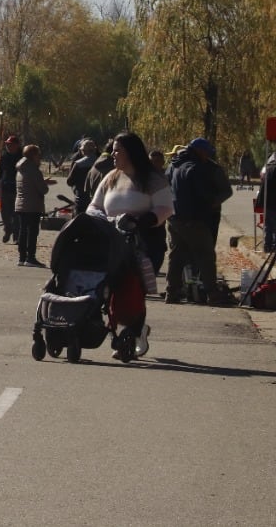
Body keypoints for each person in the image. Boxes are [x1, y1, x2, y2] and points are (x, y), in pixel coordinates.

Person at [86, 131, 172, 358]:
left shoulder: (152, 178)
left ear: (131, 152)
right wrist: (102, 219)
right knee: (111, 287)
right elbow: (94, 206)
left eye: (117, 150)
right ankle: (127, 329)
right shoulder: (111, 177)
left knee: (135, 288)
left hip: (145, 243)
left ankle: (133, 334)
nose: (112, 154)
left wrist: (140, 221)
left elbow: (165, 208)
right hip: (113, 242)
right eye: (113, 149)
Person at [166, 137, 233, 306]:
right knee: (206, 255)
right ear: (200, 152)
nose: (207, 156)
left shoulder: (174, 165)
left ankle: (171, 292)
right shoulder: (200, 169)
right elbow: (206, 195)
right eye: (206, 153)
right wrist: (212, 204)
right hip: (194, 219)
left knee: (177, 256)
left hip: (174, 218)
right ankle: (212, 293)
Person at [14, 143, 55, 267]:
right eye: (38, 155)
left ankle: (22, 257)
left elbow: (29, 184)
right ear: (33, 156)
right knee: (32, 232)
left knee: (23, 231)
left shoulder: (21, 168)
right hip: (32, 205)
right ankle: (30, 258)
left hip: (21, 203)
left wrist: (42, 182)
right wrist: (45, 184)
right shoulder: (33, 169)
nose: (40, 158)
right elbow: (43, 189)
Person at [0, 135, 23, 244]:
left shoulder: (22, 157)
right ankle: (7, 230)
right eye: (7, 145)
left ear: (17, 145)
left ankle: (16, 235)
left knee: (16, 213)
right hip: (5, 186)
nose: (8, 146)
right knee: (5, 212)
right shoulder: (4, 157)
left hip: (18, 188)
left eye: (10, 145)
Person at [66, 138, 99, 215]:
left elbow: (69, 181)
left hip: (81, 201)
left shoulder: (78, 164)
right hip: (97, 201)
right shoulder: (102, 162)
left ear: (83, 151)